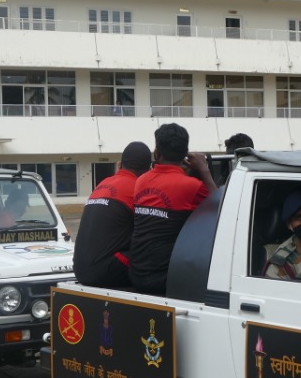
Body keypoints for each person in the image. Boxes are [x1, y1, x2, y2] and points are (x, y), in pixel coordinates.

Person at [128, 124, 215, 295]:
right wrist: (204, 171)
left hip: (136, 274)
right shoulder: (193, 186)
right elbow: (223, 208)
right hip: (166, 278)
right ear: (185, 154)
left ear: (157, 153)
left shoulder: (141, 181)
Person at [72, 141, 152, 288]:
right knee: (156, 252)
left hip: (80, 270)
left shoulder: (102, 184)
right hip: (105, 272)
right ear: (148, 170)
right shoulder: (139, 188)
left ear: (120, 164)